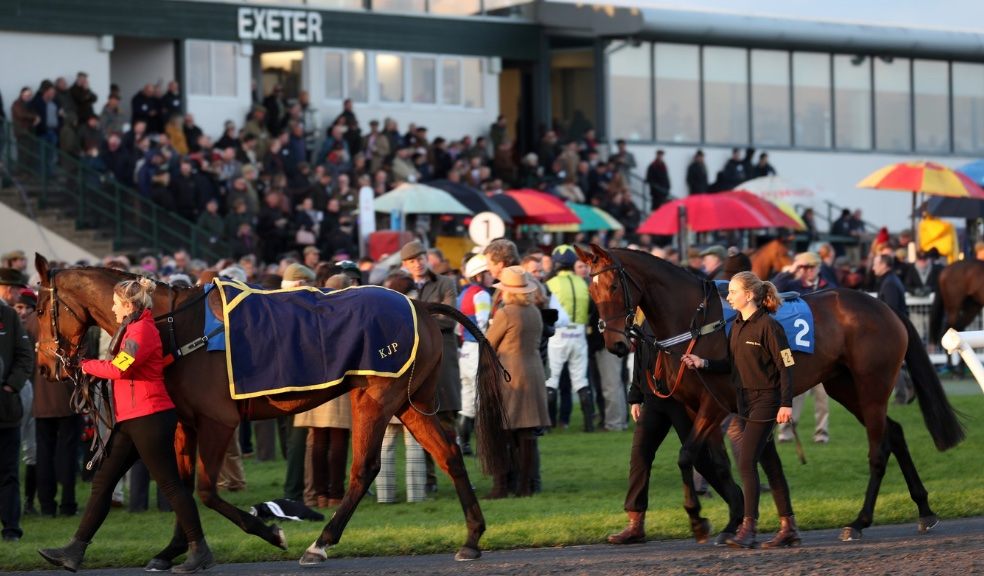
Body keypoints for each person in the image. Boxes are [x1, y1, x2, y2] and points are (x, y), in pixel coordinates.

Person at [39, 278, 214, 572]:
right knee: (103, 482)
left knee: (171, 486)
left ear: (129, 305)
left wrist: (84, 365)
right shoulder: (132, 327)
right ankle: (75, 550)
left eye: (115, 303)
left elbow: (122, 367)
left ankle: (200, 550)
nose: (111, 307)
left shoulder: (142, 329)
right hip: (133, 419)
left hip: (150, 418)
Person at [682, 271, 798, 549]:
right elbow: (732, 366)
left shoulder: (770, 327)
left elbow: (787, 365)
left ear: (749, 295)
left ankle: (749, 528)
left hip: (767, 402)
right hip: (744, 402)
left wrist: (785, 403)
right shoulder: (736, 326)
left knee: (746, 462)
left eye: (733, 292)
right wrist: (703, 363)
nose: (729, 296)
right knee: (770, 463)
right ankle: (789, 527)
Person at [485, 266, 550, 498]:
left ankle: (501, 487)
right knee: (527, 434)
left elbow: (488, 343)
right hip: (533, 371)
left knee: (503, 433)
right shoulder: (534, 310)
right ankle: (525, 486)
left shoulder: (506, 313)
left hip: (510, 374)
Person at [400, 240, 460, 493]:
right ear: (405, 265)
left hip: (443, 358)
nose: (418, 262)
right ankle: (429, 480)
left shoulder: (445, 283)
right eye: (412, 260)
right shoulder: (400, 288)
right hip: (415, 361)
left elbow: (449, 319)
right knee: (421, 420)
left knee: (446, 419)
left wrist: (415, 321)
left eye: (421, 257)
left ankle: (457, 475)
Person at [0, 268, 35, 542]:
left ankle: (11, 529)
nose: (14, 294)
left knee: (9, 471)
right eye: (12, 289)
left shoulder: (9, 316)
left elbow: (25, 358)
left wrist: (10, 386)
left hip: (5, 409)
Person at [544, 245, 594, 432]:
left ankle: (548, 425)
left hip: (559, 334)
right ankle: (589, 425)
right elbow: (590, 308)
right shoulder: (583, 283)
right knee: (581, 380)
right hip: (579, 333)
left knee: (552, 378)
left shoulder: (551, 283)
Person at [456, 254, 493, 456]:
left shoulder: (463, 294)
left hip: (464, 352)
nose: (490, 276)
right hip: (478, 349)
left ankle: (463, 444)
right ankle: (485, 445)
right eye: (487, 272)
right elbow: (483, 324)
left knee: (468, 401)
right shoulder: (482, 294)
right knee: (483, 399)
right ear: (479, 275)